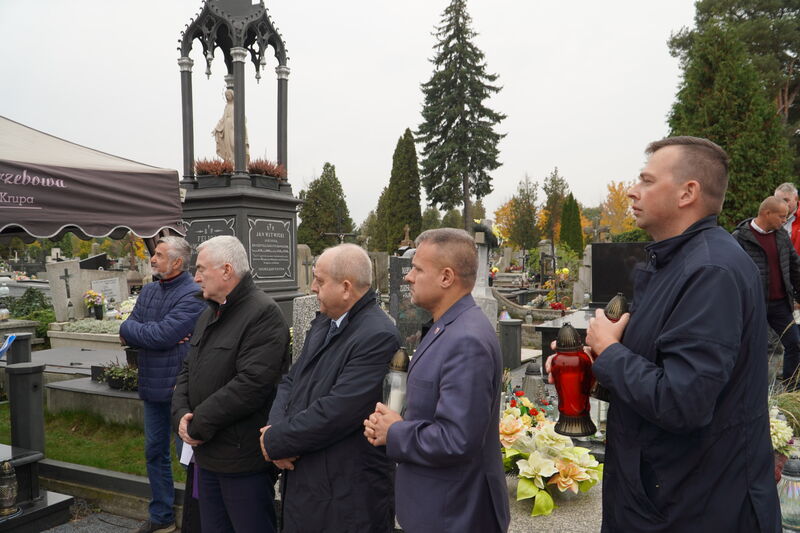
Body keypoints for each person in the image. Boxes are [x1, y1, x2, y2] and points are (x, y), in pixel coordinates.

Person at [564, 136, 779, 532]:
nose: (632, 190)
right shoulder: (676, 262)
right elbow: (659, 365)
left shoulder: (709, 272)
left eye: (646, 181)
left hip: (694, 506)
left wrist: (610, 351)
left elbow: (684, 401)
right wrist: (591, 365)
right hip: (667, 495)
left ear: (687, 193)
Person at [364, 228, 511, 533]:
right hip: (437, 508)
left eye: (417, 269)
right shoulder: (447, 326)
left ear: (446, 277)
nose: (408, 277)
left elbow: (457, 439)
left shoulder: (466, 339)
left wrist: (395, 432)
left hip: (454, 514)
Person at [260, 243, 400, 532]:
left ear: (346, 288)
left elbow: (338, 411)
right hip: (309, 482)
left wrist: (276, 441)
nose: (312, 288)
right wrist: (274, 432)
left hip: (345, 496)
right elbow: (291, 380)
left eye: (320, 281)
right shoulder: (326, 321)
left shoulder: (377, 335)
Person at [172, 235, 290, 533]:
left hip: (241, 460)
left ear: (226, 270)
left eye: (201, 269)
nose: (195, 277)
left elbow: (251, 384)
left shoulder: (263, 313)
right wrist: (180, 416)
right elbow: (188, 369)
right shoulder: (210, 312)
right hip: (207, 455)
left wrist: (198, 423)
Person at [119, 236, 206, 533]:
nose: (152, 259)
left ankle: (203, 517)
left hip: (179, 390)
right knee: (154, 452)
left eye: (158, 254)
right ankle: (162, 517)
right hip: (152, 387)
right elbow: (125, 329)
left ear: (177, 262)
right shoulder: (149, 291)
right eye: (153, 254)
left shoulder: (193, 294)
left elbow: (162, 335)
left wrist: (143, 333)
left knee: (189, 458)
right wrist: (145, 333)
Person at [732, 196, 800, 386]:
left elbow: (795, 267)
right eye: (782, 216)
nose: (785, 220)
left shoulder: (781, 235)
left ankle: (791, 388)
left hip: (780, 305)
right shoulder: (740, 237)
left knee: (795, 343)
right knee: (757, 350)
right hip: (755, 305)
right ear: (766, 213)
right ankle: (757, 392)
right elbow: (733, 275)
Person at [212, 88, 249, 165]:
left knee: (233, 144)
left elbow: (243, 117)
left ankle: (237, 162)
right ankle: (230, 161)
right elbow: (222, 119)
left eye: (228, 95)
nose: (227, 97)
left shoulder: (236, 106)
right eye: (226, 95)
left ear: (232, 96)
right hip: (226, 128)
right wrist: (216, 128)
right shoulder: (226, 106)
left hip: (234, 128)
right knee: (228, 145)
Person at [775, 182, 800, 253]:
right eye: (778, 201)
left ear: (796, 198)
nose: (781, 204)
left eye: (786, 200)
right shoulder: (770, 217)